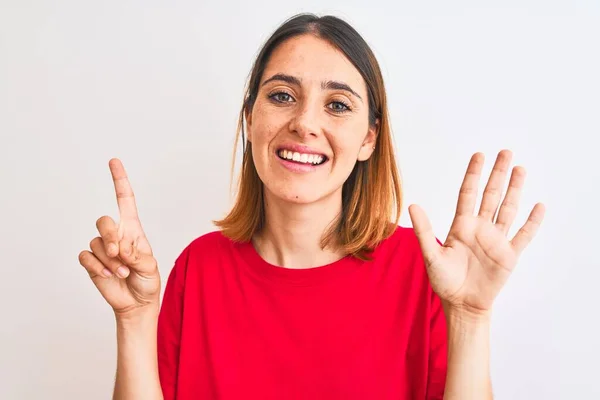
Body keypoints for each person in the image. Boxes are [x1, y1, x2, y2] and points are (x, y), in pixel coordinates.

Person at [78, 13, 545, 400]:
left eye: (337, 105)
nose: (304, 123)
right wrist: (135, 321)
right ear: (250, 117)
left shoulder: (423, 269)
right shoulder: (198, 269)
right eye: (282, 96)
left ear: (368, 138)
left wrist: (469, 319)